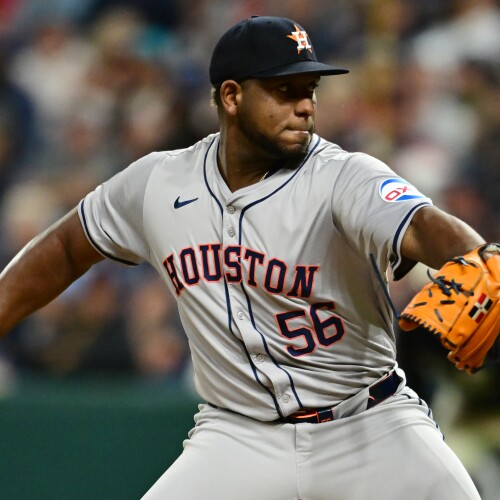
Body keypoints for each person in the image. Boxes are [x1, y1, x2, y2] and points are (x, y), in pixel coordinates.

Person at [0, 15, 486, 500]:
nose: (305, 106)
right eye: (285, 90)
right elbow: (66, 247)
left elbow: (422, 224)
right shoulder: (159, 184)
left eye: (310, 90)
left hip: (370, 424)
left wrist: (482, 258)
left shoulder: (343, 176)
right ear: (232, 96)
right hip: (238, 437)